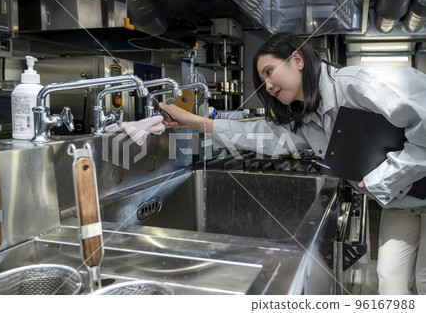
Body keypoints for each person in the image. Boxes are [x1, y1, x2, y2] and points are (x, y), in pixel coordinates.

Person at [159, 32, 426, 295]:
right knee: (391, 282)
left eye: (269, 71)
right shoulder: (310, 115)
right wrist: (195, 122)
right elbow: (267, 136)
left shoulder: (357, 85)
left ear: (297, 60)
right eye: (262, 79)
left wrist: (381, 178)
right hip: (402, 201)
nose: (267, 85)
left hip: (408, 189)